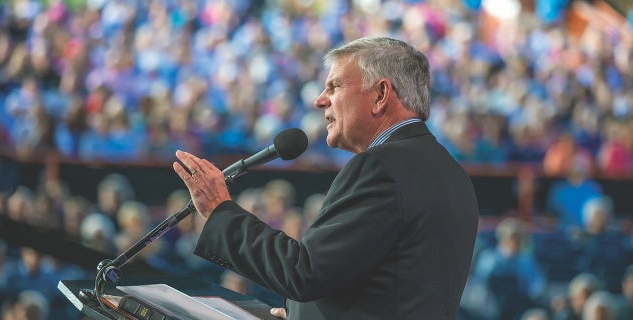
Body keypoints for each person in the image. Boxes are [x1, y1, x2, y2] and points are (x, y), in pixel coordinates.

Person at [173, 36, 479, 319]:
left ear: (381, 94)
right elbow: (383, 287)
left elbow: (305, 273)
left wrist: (219, 211)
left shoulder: (380, 168)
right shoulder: (452, 174)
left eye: (334, 87)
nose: (320, 100)